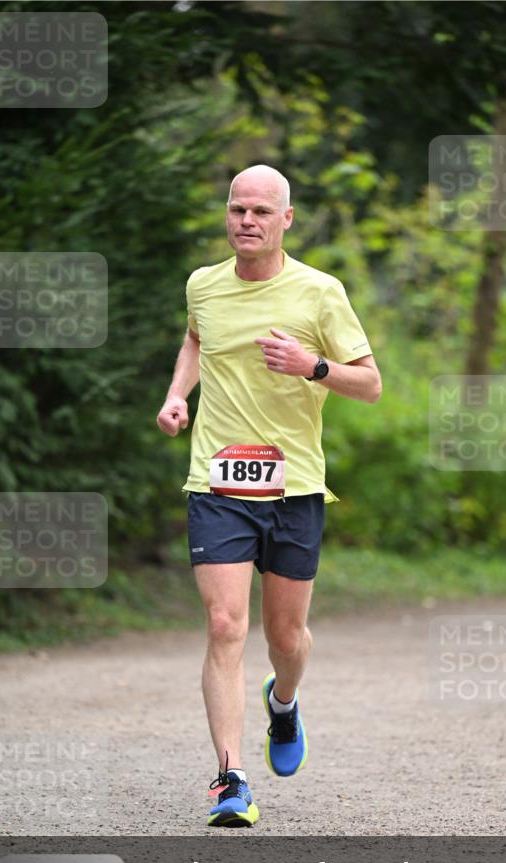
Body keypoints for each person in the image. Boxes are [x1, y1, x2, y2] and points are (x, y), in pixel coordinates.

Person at [156, 164, 381, 828]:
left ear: (286, 219)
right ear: (226, 216)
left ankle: (282, 703)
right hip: (217, 483)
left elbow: (368, 384)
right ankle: (230, 778)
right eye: (236, 209)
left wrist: (312, 366)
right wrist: (177, 395)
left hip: (295, 487)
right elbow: (197, 338)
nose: (246, 220)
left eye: (260, 210)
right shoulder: (203, 285)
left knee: (287, 636)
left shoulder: (319, 292)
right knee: (225, 625)